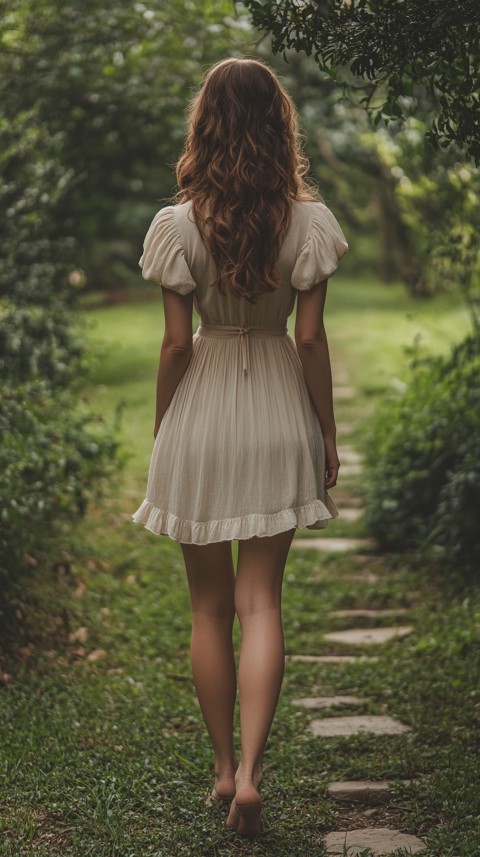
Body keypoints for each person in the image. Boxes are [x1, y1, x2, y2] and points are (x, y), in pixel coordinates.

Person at [132, 56, 348, 838]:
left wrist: (166, 431)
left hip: (204, 409)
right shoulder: (310, 222)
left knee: (208, 605)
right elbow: (313, 339)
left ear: (206, 124)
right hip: (276, 408)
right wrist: (326, 430)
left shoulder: (177, 224)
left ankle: (222, 769)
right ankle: (256, 772)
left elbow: (174, 346)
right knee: (262, 603)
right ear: (278, 123)